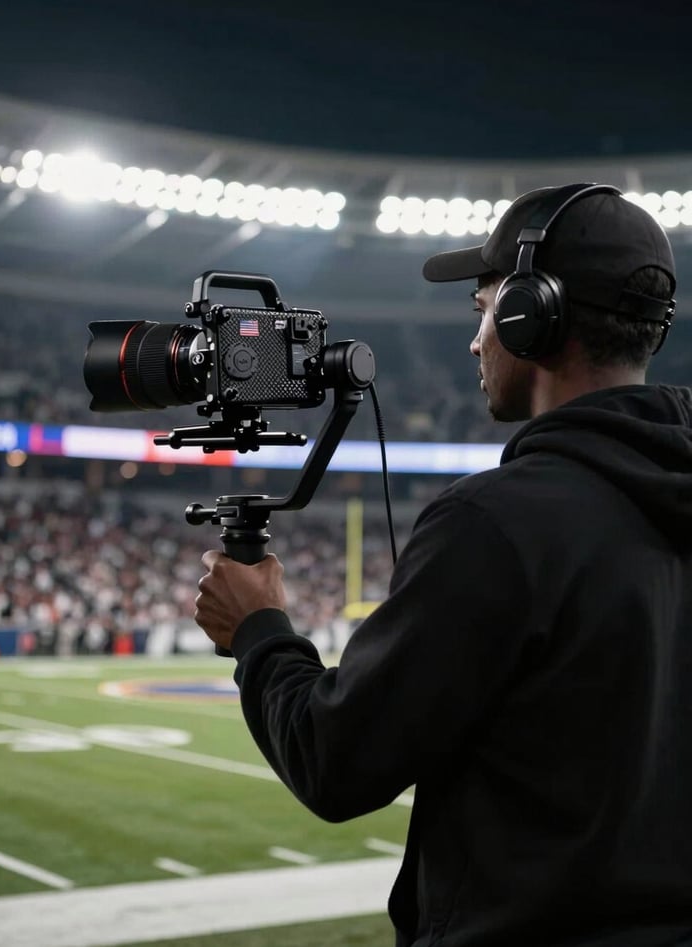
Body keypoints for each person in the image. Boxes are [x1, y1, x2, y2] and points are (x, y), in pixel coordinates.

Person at [194, 182, 692, 946]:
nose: (474, 340)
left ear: (531, 316)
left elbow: (336, 762)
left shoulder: (496, 524)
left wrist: (258, 631)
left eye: (482, 309)